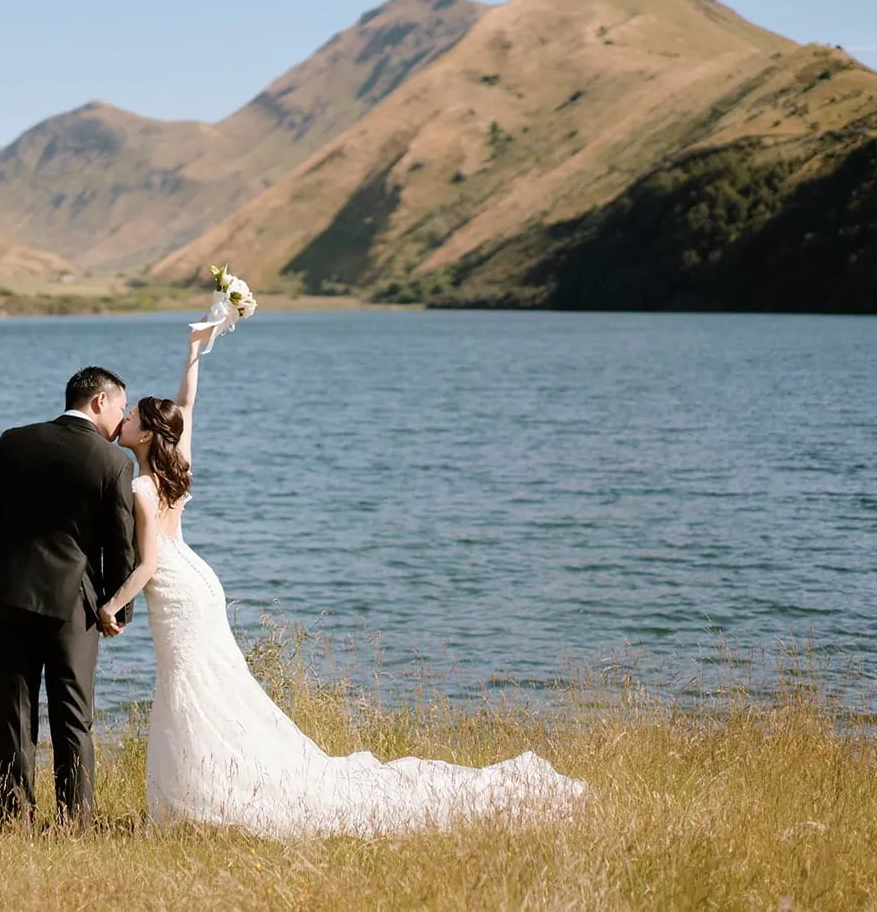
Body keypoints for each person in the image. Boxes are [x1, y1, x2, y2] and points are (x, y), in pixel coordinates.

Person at [96, 327, 587, 837]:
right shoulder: (174, 472)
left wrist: (110, 607)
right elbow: (186, 408)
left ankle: (207, 798)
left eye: (131, 418)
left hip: (176, 590)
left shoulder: (142, 487)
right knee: (211, 687)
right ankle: (210, 791)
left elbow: (147, 565)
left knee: (191, 687)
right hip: (199, 585)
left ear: (147, 435)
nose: (123, 420)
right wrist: (194, 353)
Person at [0, 365, 137, 832]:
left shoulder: (13, 442)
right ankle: (74, 824)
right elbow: (120, 544)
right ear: (100, 401)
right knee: (73, 717)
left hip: (9, 595)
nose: (122, 419)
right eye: (121, 407)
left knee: (13, 711)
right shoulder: (111, 462)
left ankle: (14, 820)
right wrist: (118, 608)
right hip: (73, 605)